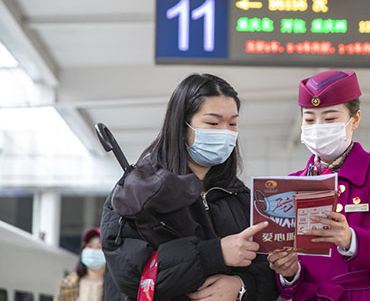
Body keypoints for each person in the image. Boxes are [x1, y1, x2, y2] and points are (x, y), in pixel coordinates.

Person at [100, 74, 279, 301]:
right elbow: (132, 276)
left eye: (232, 123)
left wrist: (242, 286)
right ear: (182, 125)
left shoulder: (240, 196)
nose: (225, 132)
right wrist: (215, 254)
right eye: (213, 123)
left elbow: (269, 272)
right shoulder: (136, 193)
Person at [268, 70, 370, 301]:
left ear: (354, 120)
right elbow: (291, 285)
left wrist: (351, 240)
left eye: (329, 119)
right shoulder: (291, 184)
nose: (318, 127)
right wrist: (289, 273)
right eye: (309, 119)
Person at [54, 227, 105, 301]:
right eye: (89, 246)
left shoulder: (116, 286)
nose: (92, 251)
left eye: (99, 247)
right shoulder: (69, 283)